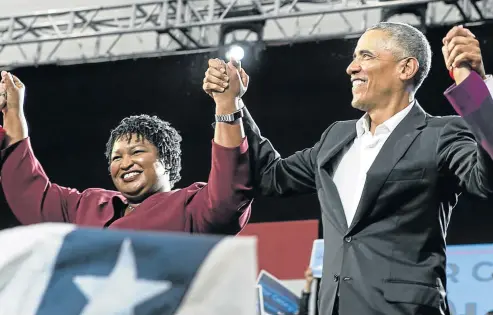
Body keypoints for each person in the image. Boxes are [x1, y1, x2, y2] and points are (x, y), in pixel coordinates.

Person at [203, 23, 493, 314]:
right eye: (354, 57)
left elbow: (486, 179)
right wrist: (233, 104)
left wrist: (475, 88)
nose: (351, 68)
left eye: (366, 56)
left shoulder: (440, 134)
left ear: (406, 68)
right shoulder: (336, 137)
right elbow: (270, 176)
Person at [0, 62, 253, 234]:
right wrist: (12, 113)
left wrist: (226, 104)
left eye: (137, 152)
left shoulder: (190, 207)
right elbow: (31, 196)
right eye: (116, 157)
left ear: (166, 160)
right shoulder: (87, 206)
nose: (124, 163)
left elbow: (228, 193)